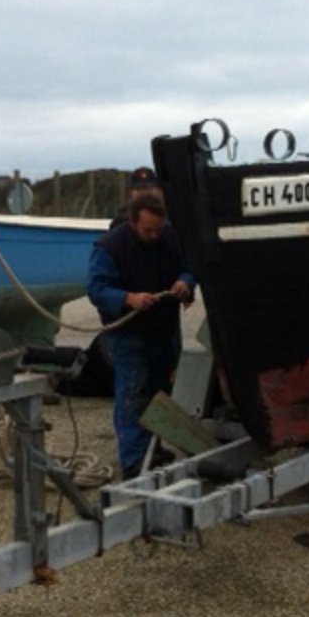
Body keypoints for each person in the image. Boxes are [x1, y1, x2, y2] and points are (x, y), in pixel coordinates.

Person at [87, 191, 196, 479]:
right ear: (133, 223)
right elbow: (96, 288)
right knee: (133, 392)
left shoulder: (171, 236)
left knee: (161, 391)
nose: (154, 235)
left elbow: (189, 265)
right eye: (148, 230)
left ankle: (152, 448)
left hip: (164, 328)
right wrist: (128, 298)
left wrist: (185, 282)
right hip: (128, 332)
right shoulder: (110, 247)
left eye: (158, 229)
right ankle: (133, 461)